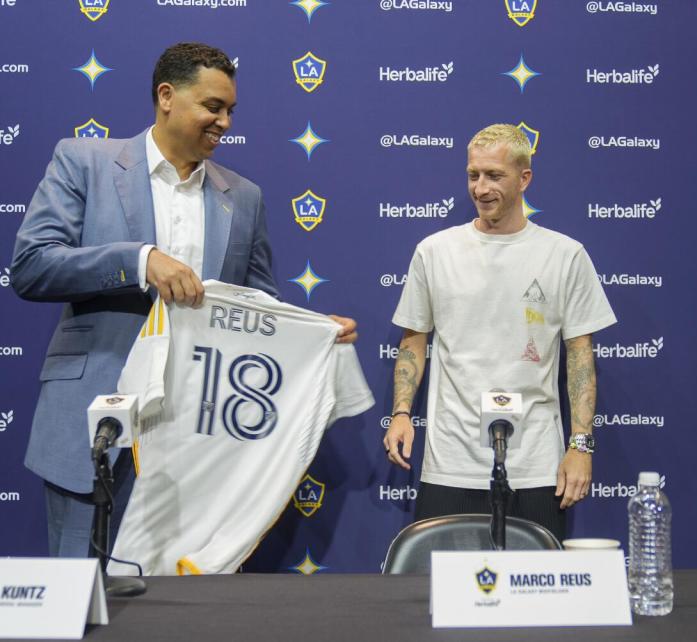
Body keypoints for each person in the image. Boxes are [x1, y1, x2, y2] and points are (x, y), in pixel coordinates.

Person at [12, 42, 357, 558]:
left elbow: (256, 304)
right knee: (77, 604)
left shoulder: (243, 196)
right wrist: (139, 260)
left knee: (174, 615)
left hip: (196, 444)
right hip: (94, 428)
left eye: (230, 111)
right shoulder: (84, 161)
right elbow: (32, 265)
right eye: (212, 107)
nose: (224, 122)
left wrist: (311, 331)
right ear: (167, 96)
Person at [383, 124, 617, 541]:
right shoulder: (434, 251)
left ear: (524, 178)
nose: (481, 187)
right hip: (450, 461)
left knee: (539, 598)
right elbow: (413, 339)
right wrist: (401, 411)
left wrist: (580, 447)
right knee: (444, 596)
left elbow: (580, 354)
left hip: (537, 465)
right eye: (474, 175)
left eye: (494, 175)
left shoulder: (565, 255)